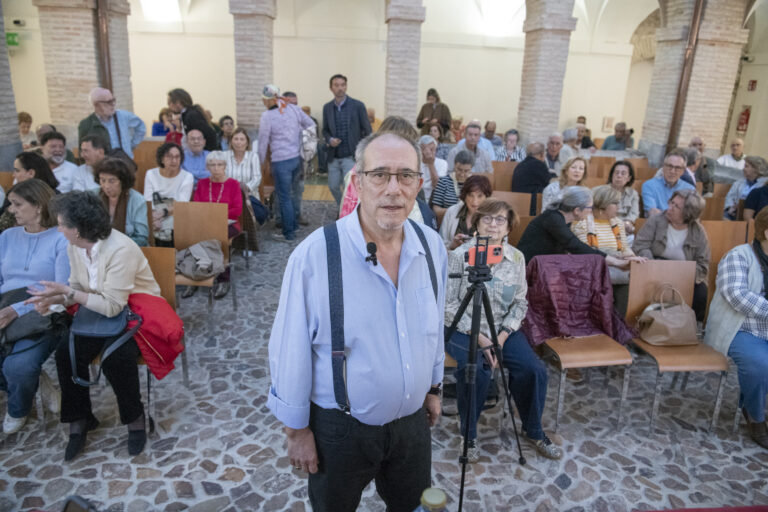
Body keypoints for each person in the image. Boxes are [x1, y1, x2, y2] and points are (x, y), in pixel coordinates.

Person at [267, 132, 446, 511]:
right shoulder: (315, 256)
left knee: (411, 506)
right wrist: (297, 431)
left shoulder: (431, 246)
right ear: (357, 180)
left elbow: (433, 327)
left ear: (419, 183)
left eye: (406, 176)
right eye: (380, 174)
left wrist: (433, 387)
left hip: (411, 426)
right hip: (340, 428)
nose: (393, 189)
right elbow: (290, 350)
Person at [27, 191, 161, 461]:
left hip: (135, 312)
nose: (58, 228)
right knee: (67, 353)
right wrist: (53, 301)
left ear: (77, 229)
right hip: (98, 312)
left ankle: (135, 418)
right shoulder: (74, 246)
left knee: (116, 358)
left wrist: (69, 293)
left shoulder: (121, 249)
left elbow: (113, 305)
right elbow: (76, 288)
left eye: (63, 224)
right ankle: (81, 419)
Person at [444, 198, 562, 462]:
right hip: (464, 328)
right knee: (478, 372)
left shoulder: (517, 258)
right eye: (487, 218)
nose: (493, 224)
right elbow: (447, 306)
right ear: (476, 223)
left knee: (533, 370)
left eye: (500, 220)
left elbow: (520, 303)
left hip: (502, 330)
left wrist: (501, 336)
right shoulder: (459, 255)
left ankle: (532, 429)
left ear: (509, 227)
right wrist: (482, 339)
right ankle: (469, 434)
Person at [0, 180, 69, 434]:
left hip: (41, 314)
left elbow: (60, 290)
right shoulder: (7, 237)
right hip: (4, 307)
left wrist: (17, 310)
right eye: (10, 204)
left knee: (17, 366)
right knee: (15, 366)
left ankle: (18, 408)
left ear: (38, 206)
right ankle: (35, 382)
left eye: (17, 204)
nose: (11, 210)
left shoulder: (61, 238)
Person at [704, 206, 768, 450]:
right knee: (760, 364)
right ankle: (756, 417)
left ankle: (753, 399)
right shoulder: (739, 255)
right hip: (739, 327)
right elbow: (736, 294)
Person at [633, 189, 710, 321]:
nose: (670, 208)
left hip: (683, 274)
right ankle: (639, 322)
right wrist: (653, 266)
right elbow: (640, 245)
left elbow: (703, 265)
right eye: (671, 203)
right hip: (654, 267)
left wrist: (680, 274)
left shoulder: (698, 232)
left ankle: (691, 327)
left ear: (688, 213)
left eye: (676, 206)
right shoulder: (656, 220)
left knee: (701, 292)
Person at [517, 186, 630, 271]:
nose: (591, 211)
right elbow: (576, 246)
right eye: (589, 207)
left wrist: (614, 257)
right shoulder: (553, 219)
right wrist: (615, 262)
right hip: (528, 269)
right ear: (577, 210)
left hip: (544, 267)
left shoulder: (562, 219)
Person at [572, 185, 647, 313]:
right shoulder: (582, 222)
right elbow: (587, 252)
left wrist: (632, 258)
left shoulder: (617, 222)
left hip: (617, 266)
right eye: (616, 203)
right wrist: (619, 258)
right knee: (627, 276)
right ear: (603, 204)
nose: (620, 207)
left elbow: (624, 248)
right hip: (594, 267)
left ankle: (623, 323)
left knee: (637, 274)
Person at [259, 85, 315, 242]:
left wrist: (261, 162)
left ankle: (288, 233)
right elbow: (310, 124)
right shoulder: (293, 109)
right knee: (291, 195)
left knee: (284, 198)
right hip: (296, 159)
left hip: (280, 161)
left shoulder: (267, 116)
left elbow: (263, 142)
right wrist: (301, 141)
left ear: (266, 99)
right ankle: (294, 225)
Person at [186, 151, 243, 299]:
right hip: (204, 223)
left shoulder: (233, 184)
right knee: (190, 235)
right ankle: (195, 277)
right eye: (212, 165)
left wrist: (216, 217)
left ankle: (224, 279)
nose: (216, 168)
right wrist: (208, 219)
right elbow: (197, 206)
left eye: (219, 164)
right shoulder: (203, 184)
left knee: (218, 236)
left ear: (225, 166)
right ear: (207, 167)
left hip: (229, 223)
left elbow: (237, 209)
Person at [322, 74, 372, 206]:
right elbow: (325, 130)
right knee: (333, 186)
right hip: (333, 156)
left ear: (346, 86)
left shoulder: (358, 106)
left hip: (351, 156)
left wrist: (362, 153)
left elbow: (368, 131)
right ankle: (343, 208)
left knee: (350, 189)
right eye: (336, 85)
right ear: (331, 88)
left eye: (343, 85)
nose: (340, 88)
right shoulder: (327, 108)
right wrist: (330, 139)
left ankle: (348, 215)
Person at [143, 142, 194, 247]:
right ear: (161, 159)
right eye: (169, 157)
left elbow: (181, 203)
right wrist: (153, 217)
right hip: (153, 213)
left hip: (175, 214)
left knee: (168, 227)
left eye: (177, 157)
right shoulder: (151, 174)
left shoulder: (187, 177)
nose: (174, 161)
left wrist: (161, 215)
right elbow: (147, 200)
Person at [78, 87, 146, 159]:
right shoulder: (86, 124)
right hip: (102, 166)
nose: (113, 104)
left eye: (113, 100)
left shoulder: (123, 116)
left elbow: (141, 127)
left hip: (125, 164)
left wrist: (131, 145)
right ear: (96, 105)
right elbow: (82, 151)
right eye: (108, 102)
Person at [94, 158, 148, 247]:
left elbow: (142, 238)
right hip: (99, 249)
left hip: (129, 250)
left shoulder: (136, 200)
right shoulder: (93, 196)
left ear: (122, 181)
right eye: (102, 180)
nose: (106, 186)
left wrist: (115, 246)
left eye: (112, 181)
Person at [439, 175, 492, 249]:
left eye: (479, 196)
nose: (475, 201)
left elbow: (500, 247)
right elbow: (440, 244)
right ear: (465, 196)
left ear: (486, 197)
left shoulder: (495, 216)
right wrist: (452, 245)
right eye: (471, 195)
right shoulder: (451, 211)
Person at [641, 150, 695, 216]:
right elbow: (652, 213)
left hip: (679, 225)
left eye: (677, 168)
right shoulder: (649, 185)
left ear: (683, 171)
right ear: (663, 167)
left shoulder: (690, 189)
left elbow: (689, 214)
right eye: (669, 166)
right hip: (657, 224)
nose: (672, 171)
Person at [511, 142, 555, 216]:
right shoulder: (539, 165)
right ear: (541, 154)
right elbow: (549, 183)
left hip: (517, 202)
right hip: (532, 205)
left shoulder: (520, 165)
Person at [431, 149, 474, 218]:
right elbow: (436, 210)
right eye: (459, 169)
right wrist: (455, 211)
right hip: (446, 220)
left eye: (466, 171)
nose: (462, 174)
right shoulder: (444, 181)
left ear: (471, 169)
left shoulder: (474, 183)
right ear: (454, 166)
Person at [606, 160, 640, 235]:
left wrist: (627, 222)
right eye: (616, 172)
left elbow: (634, 213)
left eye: (623, 173)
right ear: (612, 175)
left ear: (629, 178)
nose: (619, 176)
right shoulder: (603, 191)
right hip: (606, 225)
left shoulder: (633, 194)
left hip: (624, 227)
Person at [418, 134, 448, 203]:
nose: (428, 153)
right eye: (425, 150)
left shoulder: (443, 163)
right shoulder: (414, 162)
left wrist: (430, 164)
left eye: (432, 149)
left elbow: (438, 187)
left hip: (435, 200)